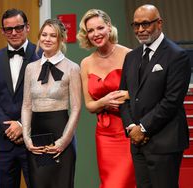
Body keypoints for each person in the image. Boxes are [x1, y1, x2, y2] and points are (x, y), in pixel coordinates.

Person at [119, 4, 191, 188]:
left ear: (159, 23)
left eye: (145, 24)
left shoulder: (178, 55)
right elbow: (124, 96)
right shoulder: (131, 57)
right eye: (136, 25)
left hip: (164, 141)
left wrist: (143, 128)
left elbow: (171, 101)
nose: (140, 30)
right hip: (137, 142)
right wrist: (131, 127)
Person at [0, 8, 41, 188]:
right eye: (9, 29)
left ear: (27, 27)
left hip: (34, 139)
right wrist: (9, 127)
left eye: (18, 28)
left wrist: (22, 125)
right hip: (3, 141)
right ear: (2, 31)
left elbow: (44, 97)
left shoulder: (42, 55)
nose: (14, 33)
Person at [77, 9, 136, 188]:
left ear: (109, 27)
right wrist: (103, 102)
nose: (96, 34)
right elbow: (89, 105)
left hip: (128, 130)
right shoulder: (85, 63)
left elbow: (141, 94)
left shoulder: (130, 55)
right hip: (104, 134)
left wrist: (125, 96)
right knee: (109, 183)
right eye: (91, 31)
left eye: (100, 28)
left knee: (124, 183)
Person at [22, 18, 81, 188]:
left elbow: (76, 108)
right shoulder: (31, 68)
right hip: (37, 137)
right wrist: (27, 138)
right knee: (39, 184)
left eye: (53, 35)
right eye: (44, 35)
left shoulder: (72, 68)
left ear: (61, 39)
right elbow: (26, 105)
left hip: (62, 132)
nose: (47, 39)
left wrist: (63, 141)